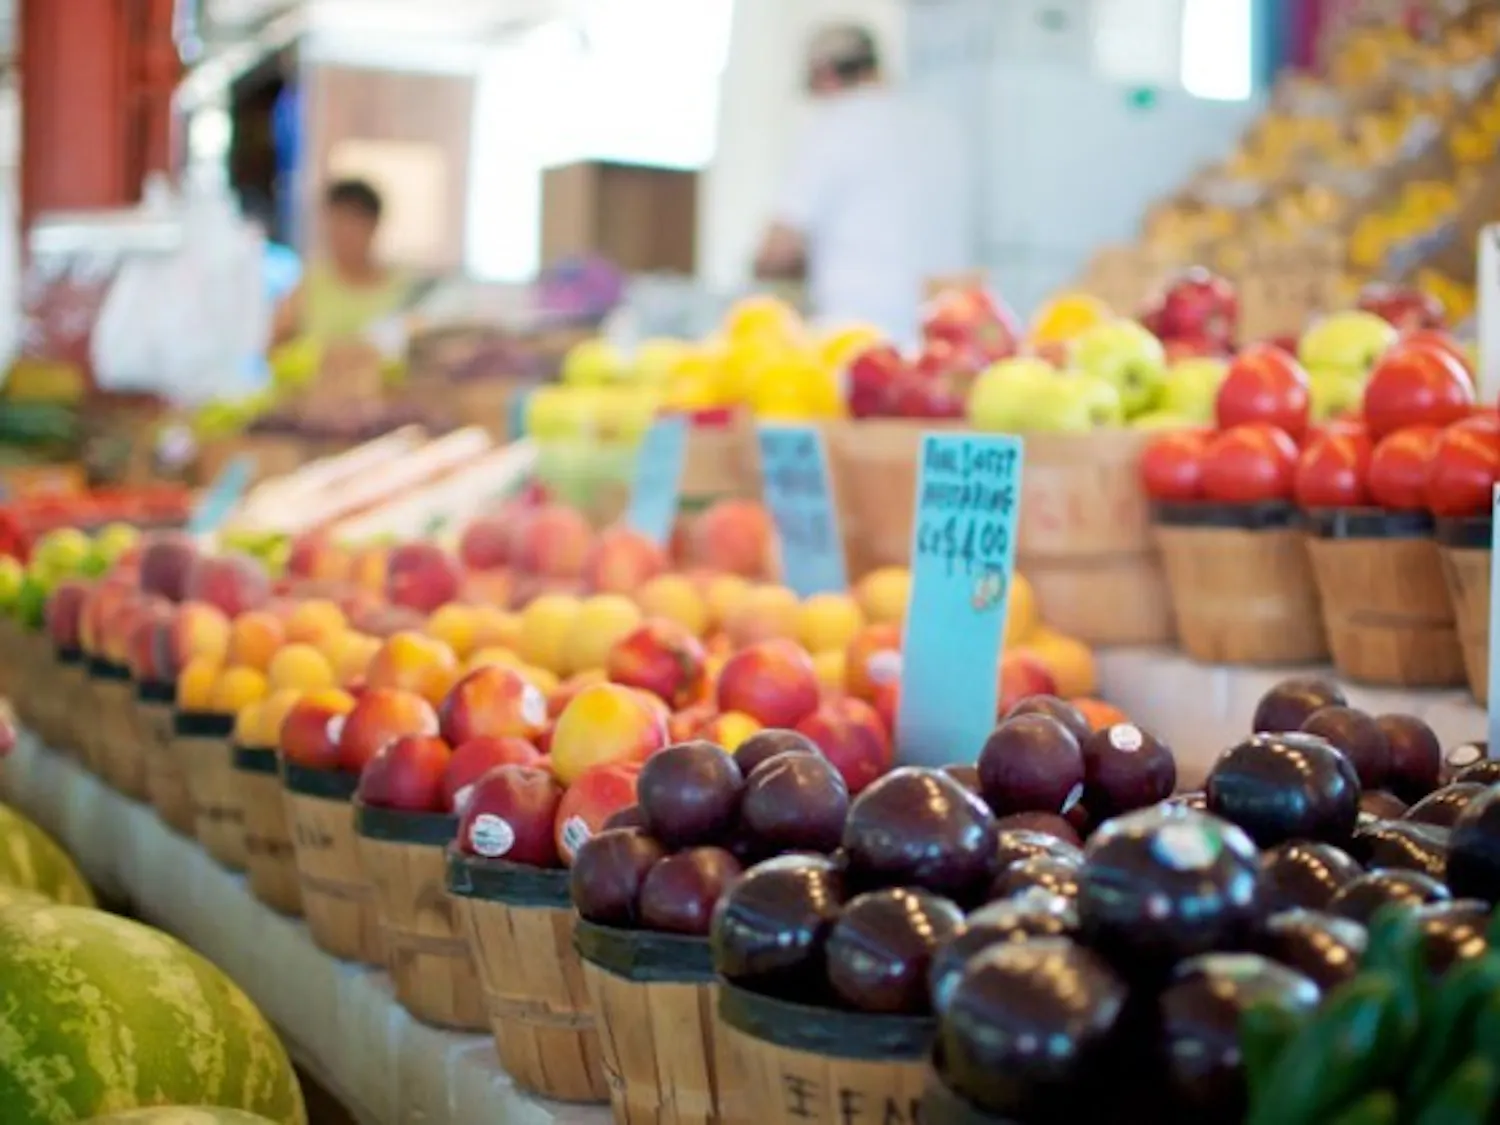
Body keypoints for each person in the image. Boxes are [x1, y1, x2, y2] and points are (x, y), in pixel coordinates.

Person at [753, 23, 975, 344]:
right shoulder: (940, 126)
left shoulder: (835, 126)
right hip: (944, 328)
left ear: (826, 76)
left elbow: (778, 250)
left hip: (857, 333)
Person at [272, 178, 410, 346]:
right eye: (337, 223)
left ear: (373, 225)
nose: (344, 235)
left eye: (354, 223)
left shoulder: (403, 288)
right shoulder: (310, 286)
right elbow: (272, 342)